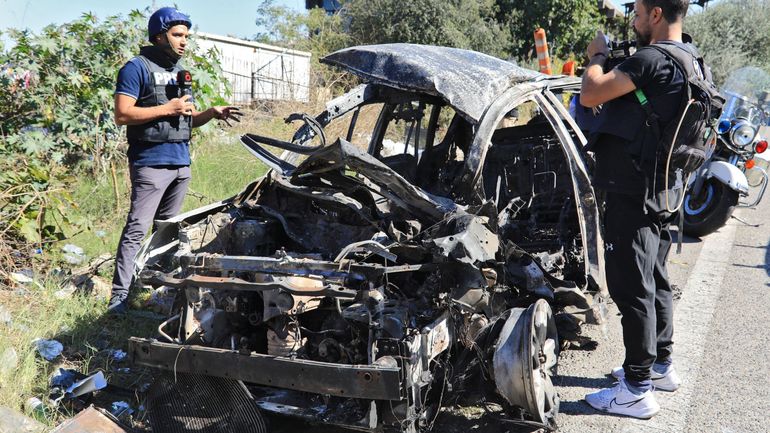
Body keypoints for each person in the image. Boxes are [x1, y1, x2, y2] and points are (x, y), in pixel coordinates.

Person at [579, 0, 704, 419]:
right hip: (663, 189)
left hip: (632, 190)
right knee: (654, 277)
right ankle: (660, 365)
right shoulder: (691, 58)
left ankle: (635, 388)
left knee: (631, 287)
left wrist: (596, 54)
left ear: (655, 15)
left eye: (637, 13)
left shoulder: (652, 59)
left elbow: (591, 92)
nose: (632, 20)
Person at [109, 7, 241, 314]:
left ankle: (157, 293)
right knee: (137, 228)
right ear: (159, 36)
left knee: (167, 234)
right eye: (177, 35)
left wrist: (210, 113)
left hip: (181, 163)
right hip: (150, 162)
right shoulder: (136, 68)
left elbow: (186, 119)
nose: (184, 42)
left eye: (186, 36)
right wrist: (168, 108)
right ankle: (118, 299)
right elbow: (123, 114)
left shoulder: (182, 73)